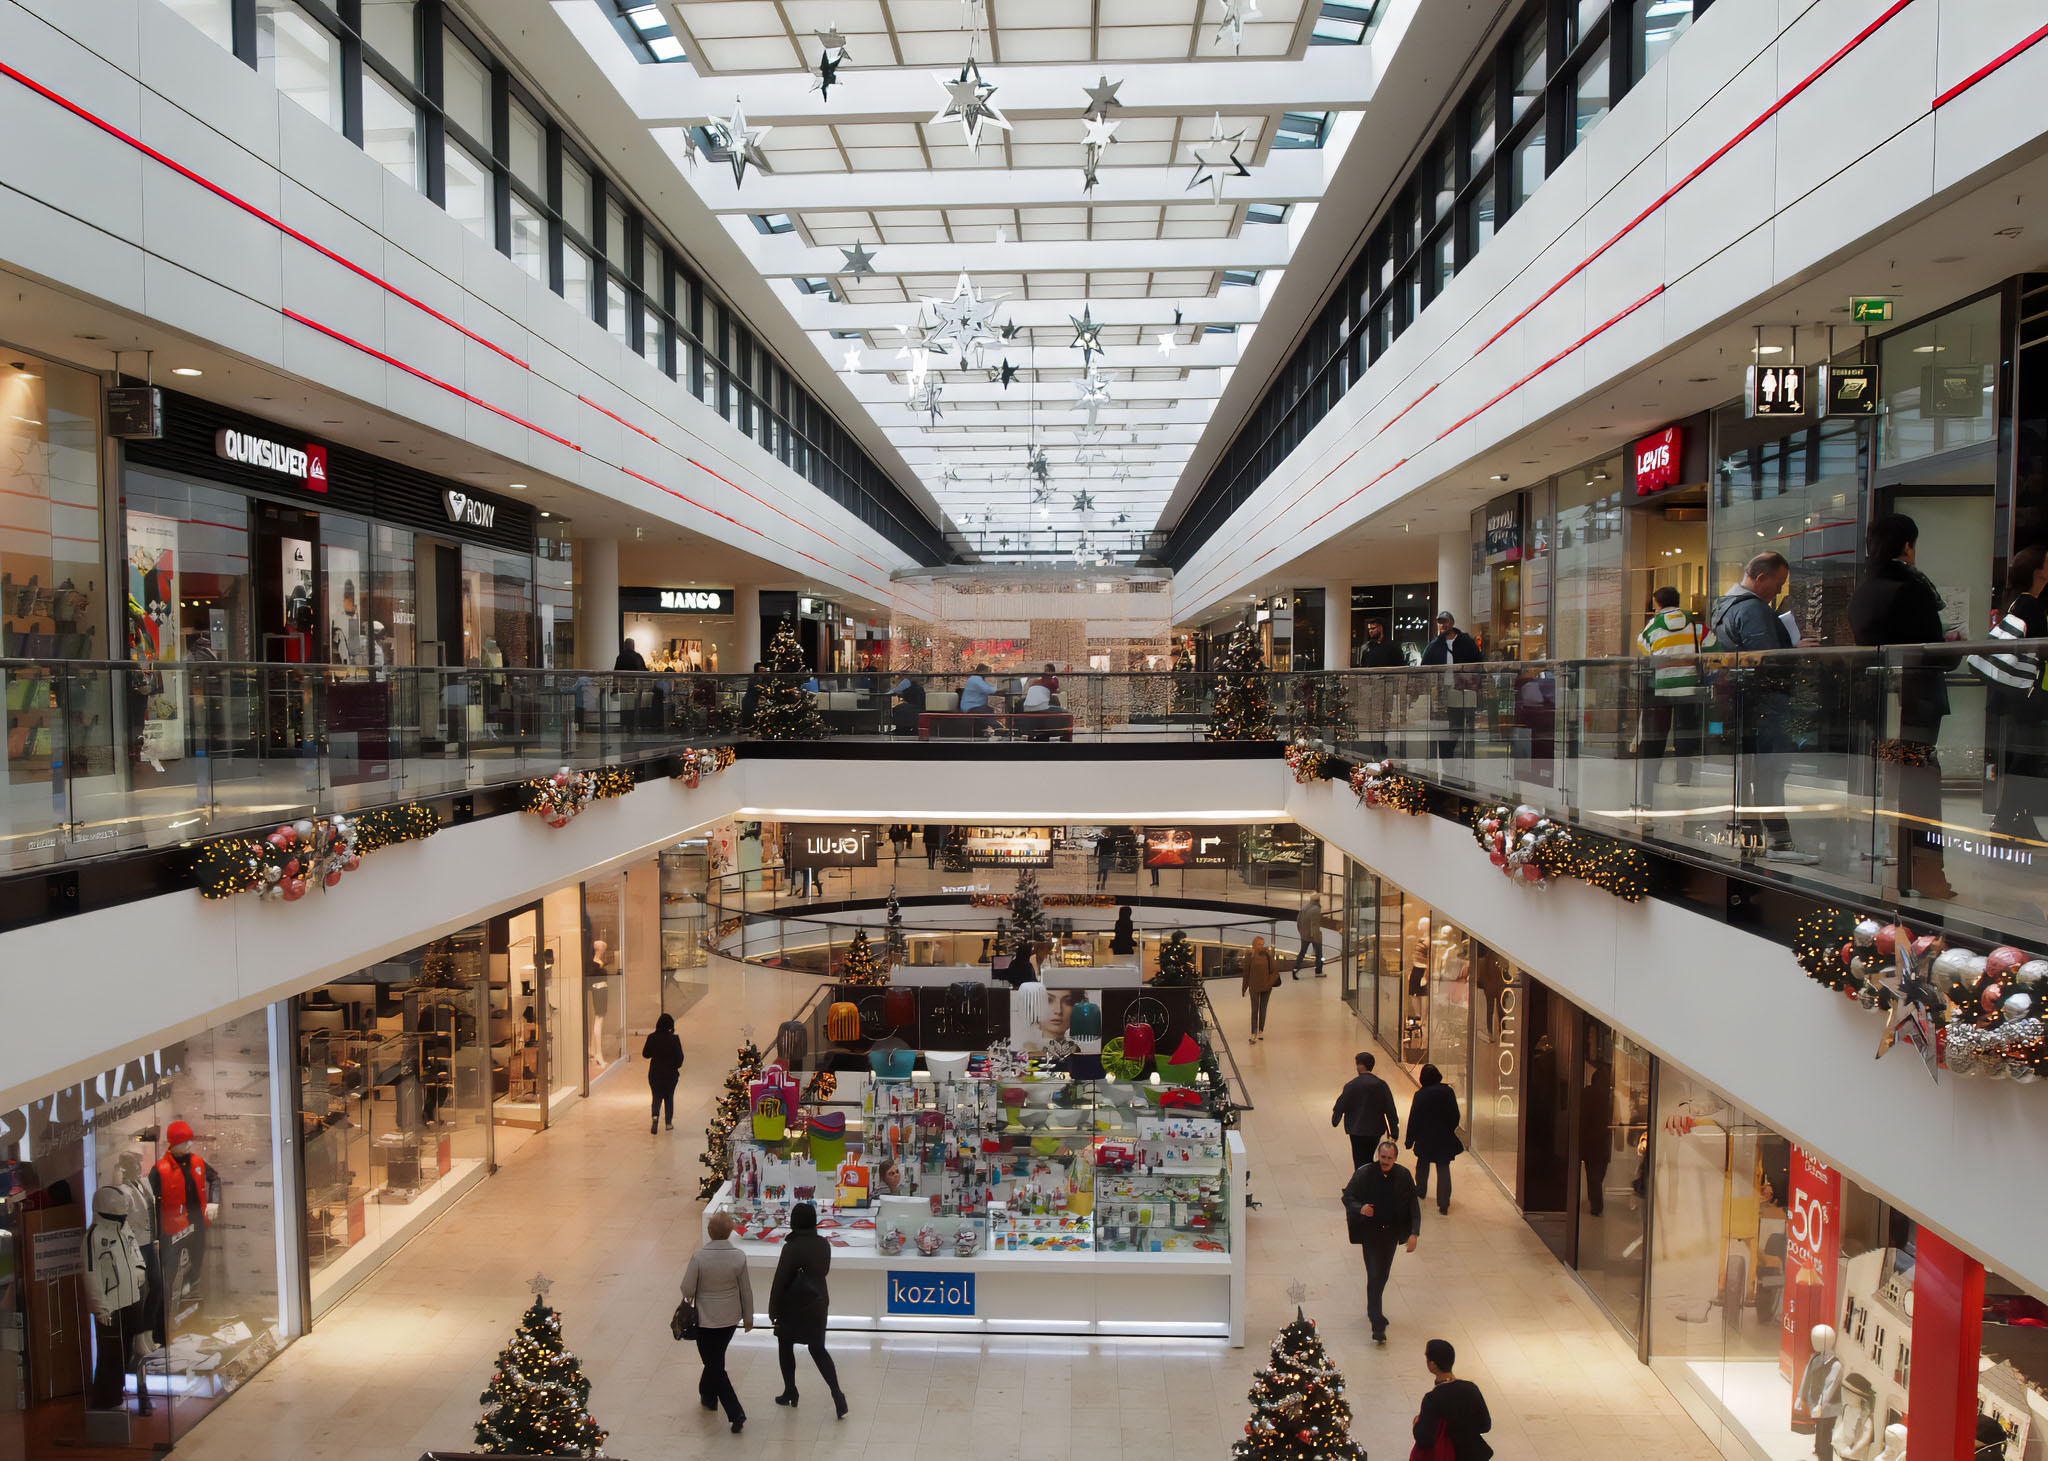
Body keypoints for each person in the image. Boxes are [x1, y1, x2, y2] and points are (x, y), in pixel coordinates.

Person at [1850, 514, 1955, 900]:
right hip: (1917, 702)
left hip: (1882, 704)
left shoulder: (1865, 589)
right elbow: (1937, 651)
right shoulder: (1912, 585)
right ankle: (1928, 873)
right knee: (1923, 784)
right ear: (1907, 545)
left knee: (1897, 786)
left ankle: (1903, 866)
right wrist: (1953, 643)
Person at [1710, 552, 1817, 863]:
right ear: (1760, 578)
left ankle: (1753, 838)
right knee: (1772, 770)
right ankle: (1779, 843)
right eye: (1778, 583)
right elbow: (1766, 658)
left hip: (1741, 700)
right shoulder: (1753, 609)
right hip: (1765, 701)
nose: (1779, 591)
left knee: (1752, 772)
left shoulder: (1723, 607)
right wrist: (1795, 651)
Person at [1970, 545, 2048, 839]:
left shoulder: (2019, 603)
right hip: (2027, 698)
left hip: (2017, 697)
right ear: (2038, 572)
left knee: (2024, 758)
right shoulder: (2030, 606)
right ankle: (2005, 818)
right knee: (2025, 758)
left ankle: (2019, 820)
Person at [769, 1202, 846, 1418]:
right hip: (818, 1303)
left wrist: (772, 1309)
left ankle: (790, 1390)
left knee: (785, 1345)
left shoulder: (791, 1247)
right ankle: (837, 1393)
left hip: (793, 1305)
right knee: (818, 1349)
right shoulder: (823, 1244)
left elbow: (780, 1281)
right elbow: (824, 1270)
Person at [1635, 586, 1713, 798]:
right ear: (1678, 601)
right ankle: (1683, 777)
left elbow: (1644, 647)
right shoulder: (1695, 624)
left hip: (1661, 685)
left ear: (1656, 603)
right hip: (1689, 684)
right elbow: (1713, 645)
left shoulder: (1652, 626)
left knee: (1657, 733)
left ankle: (1652, 777)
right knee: (1685, 730)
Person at [680, 1212, 753, 1433]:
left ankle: (735, 1412)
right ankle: (708, 1395)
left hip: (705, 1318)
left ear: (709, 1231)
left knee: (713, 1364)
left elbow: (687, 1288)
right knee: (715, 1360)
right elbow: (746, 1291)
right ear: (730, 1231)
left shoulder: (699, 1257)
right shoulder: (738, 1257)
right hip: (730, 1318)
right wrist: (748, 1317)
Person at [1342, 1137, 1420, 1344]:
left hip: (1391, 1235)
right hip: (1370, 1234)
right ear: (1378, 1156)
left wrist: (1414, 1233)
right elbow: (1347, 1197)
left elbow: (1413, 1206)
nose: (1385, 1161)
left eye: (1389, 1158)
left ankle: (1372, 1309)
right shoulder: (1365, 1174)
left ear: (1395, 1158)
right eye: (1383, 1157)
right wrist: (1361, 1208)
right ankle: (1378, 1323)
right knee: (1374, 1273)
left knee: (1382, 1275)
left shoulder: (1403, 1176)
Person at [1414, 1339, 1493, 1461]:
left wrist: (1416, 1424)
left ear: (1432, 1364)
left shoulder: (1432, 1399)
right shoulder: (1471, 1388)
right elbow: (1485, 1425)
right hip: (1475, 1455)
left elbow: (1424, 1439)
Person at [1421, 611, 1482, 764]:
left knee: (1460, 725)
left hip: (1463, 692)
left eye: (1445, 621)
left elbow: (1479, 665)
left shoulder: (1466, 641)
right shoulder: (1434, 645)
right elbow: (1424, 668)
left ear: (1452, 623)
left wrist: (1474, 683)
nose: (1442, 625)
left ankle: (1460, 758)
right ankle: (1446, 758)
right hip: (1442, 693)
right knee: (1443, 727)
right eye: (1440, 622)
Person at [1405, 1063, 1463, 1216]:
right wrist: (1448, 1129)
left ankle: (1421, 1190)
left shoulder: (1420, 1095)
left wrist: (1410, 1139)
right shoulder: (1448, 1092)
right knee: (1443, 1168)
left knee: (1422, 1165)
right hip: (1444, 1137)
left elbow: (1414, 1119)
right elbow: (1455, 1116)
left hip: (1425, 1137)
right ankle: (1443, 1204)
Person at [1331, 1051, 1400, 1170]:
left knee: (1358, 1159)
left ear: (1360, 1066)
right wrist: (1393, 1129)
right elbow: (1390, 1108)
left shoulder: (1352, 1085)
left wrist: (1335, 1119)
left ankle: (1361, 1183)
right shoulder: (1381, 1085)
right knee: (1368, 1156)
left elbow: (1341, 1104)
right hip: (1375, 1129)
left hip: (1356, 1129)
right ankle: (1368, 1180)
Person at [642, 1012, 683, 1134]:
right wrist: (676, 1066)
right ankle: (668, 1123)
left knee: (656, 1096)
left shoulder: (651, 1037)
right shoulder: (674, 1039)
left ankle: (655, 1116)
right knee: (669, 1097)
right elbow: (680, 1057)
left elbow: (645, 1054)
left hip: (655, 1073)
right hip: (670, 1074)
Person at [1240, 935, 1278, 1043]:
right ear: (1254, 945)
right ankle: (1253, 1033)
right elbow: (1246, 972)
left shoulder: (1268, 955)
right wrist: (1244, 987)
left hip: (1266, 986)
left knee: (1263, 1009)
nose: (1261, 946)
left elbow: (1274, 971)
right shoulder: (1250, 955)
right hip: (1254, 986)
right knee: (1254, 1010)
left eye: (1262, 944)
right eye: (1258, 944)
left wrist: (1269, 984)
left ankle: (1261, 1030)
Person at [959, 663, 998, 735]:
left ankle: (985, 729)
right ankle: (998, 729)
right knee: (985, 712)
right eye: (988, 672)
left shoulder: (976, 678)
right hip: (971, 706)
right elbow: (989, 690)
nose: (989, 674)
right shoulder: (975, 679)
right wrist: (996, 683)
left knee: (989, 709)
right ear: (983, 671)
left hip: (976, 705)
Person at [1293, 894, 1324, 979]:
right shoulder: (1316, 909)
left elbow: (1298, 922)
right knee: (1319, 954)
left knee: (1302, 952)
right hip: (1314, 936)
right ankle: (1318, 971)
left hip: (1304, 935)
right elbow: (1314, 925)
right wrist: (1316, 936)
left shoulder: (1304, 908)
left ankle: (1295, 969)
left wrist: (1301, 932)